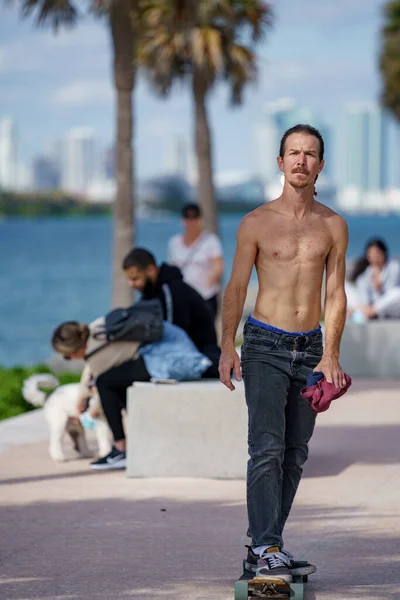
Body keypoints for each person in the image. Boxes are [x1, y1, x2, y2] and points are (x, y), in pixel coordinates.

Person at [219, 124, 348, 583]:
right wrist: (226, 347)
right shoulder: (255, 222)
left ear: (320, 165)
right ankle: (267, 546)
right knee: (266, 449)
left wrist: (330, 354)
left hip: (311, 347)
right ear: (280, 162)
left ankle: (265, 547)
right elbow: (236, 287)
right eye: (293, 153)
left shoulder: (333, 225)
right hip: (263, 344)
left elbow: (335, 293)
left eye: (310, 154)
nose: (301, 161)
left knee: (295, 454)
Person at [51, 318, 212, 471]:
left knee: (106, 383)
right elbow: (90, 371)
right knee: (119, 379)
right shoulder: (97, 327)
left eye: (67, 356)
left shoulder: (97, 354)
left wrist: (92, 412)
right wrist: (82, 397)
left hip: (172, 360)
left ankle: (120, 449)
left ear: (75, 349)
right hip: (176, 342)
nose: (68, 359)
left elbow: (99, 386)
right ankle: (138, 442)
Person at [122, 247, 220, 376]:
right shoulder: (150, 293)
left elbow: (173, 334)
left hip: (200, 359)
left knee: (109, 381)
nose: (131, 284)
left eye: (135, 278)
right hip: (180, 357)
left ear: (151, 270)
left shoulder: (172, 291)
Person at [167, 203, 224, 320]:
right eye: (187, 218)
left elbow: (218, 264)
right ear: (183, 220)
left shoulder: (210, 240)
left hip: (205, 295)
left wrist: (211, 279)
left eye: (194, 218)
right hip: (183, 297)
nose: (191, 222)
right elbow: (172, 267)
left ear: (200, 219)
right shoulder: (174, 242)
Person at [347, 238, 400, 321]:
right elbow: (364, 299)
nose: (375, 256)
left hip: (390, 309)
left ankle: (360, 313)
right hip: (370, 308)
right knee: (345, 288)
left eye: (377, 252)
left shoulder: (394, 267)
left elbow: (390, 294)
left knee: (397, 293)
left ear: (384, 253)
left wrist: (379, 287)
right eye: (371, 253)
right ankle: (362, 313)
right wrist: (366, 307)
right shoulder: (364, 275)